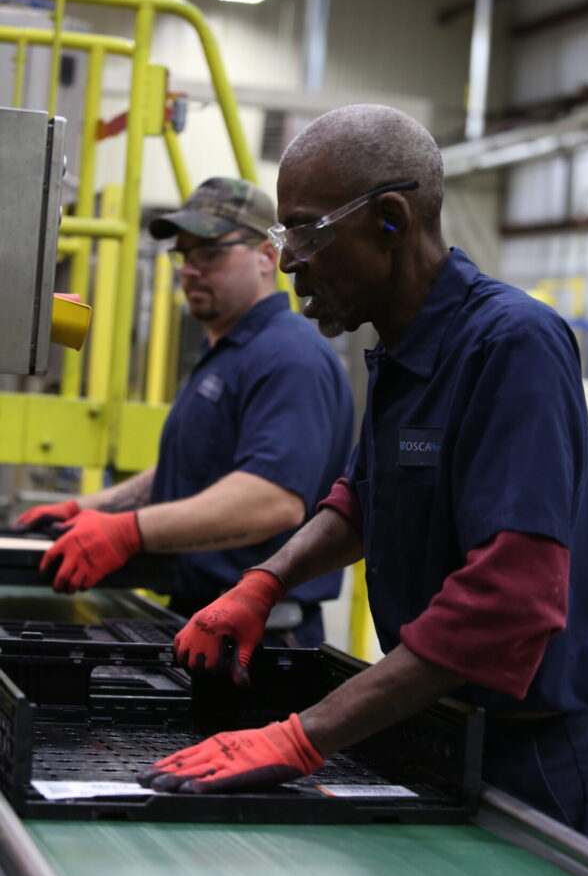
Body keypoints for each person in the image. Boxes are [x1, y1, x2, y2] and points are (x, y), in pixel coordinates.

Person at [137, 106, 588, 857]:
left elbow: (507, 603)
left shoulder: (510, 345)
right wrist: (264, 583)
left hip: (541, 753)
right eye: (282, 237)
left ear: (389, 220)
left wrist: (302, 738)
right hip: (441, 729)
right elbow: (362, 500)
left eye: (304, 232)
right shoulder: (401, 349)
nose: (288, 261)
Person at [14, 177, 354, 649]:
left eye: (210, 252)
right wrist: (87, 510)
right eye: (184, 255)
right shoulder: (232, 351)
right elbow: (190, 469)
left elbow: (272, 499)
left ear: (266, 255)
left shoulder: (288, 356)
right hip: (202, 619)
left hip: (261, 639)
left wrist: (129, 532)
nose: (190, 270)